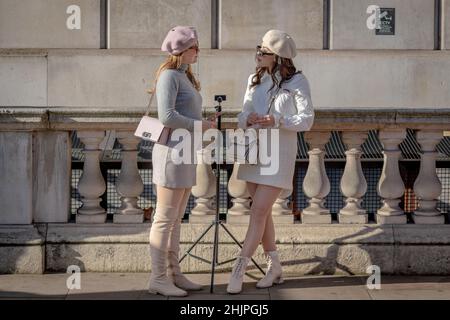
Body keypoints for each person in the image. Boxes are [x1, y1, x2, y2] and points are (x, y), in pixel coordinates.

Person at [227, 30, 315, 294]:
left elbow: (307, 119)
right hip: (254, 152)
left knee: (258, 212)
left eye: (263, 51)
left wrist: (277, 120)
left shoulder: (298, 81)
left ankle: (239, 268)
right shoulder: (255, 79)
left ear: (277, 57)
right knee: (262, 213)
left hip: (279, 154)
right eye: (258, 49)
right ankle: (274, 266)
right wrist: (248, 118)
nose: (258, 55)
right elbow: (242, 113)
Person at [148, 26, 217, 297]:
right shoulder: (168, 75)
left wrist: (200, 127)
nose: (198, 51)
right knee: (164, 219)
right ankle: (158, 278)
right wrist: (202, 125)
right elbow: (166, 117)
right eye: (194, 47)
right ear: (181, 50)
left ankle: (174, 274)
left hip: (185, 153)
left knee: (176, 220)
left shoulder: (182, 76)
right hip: (172, 154)